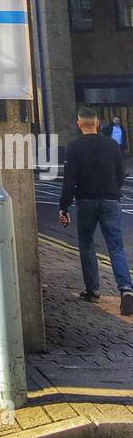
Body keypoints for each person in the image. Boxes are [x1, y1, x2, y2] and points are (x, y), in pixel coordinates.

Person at [59, 106, 133, 314]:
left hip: (86, 201)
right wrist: (113, 190)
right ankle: (126, 289)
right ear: (98, 123)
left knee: (87, 244)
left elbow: (69, 181)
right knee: (116, 246)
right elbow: (121, 174)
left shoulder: (73, 147)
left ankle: (92, 290)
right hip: (111, 200)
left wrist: (63, 206)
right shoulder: (112, 145)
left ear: (79, 123)